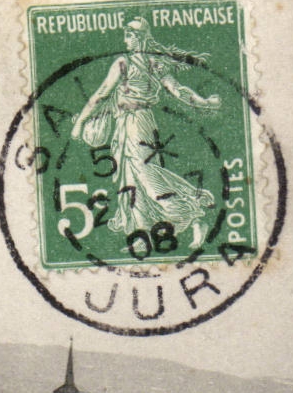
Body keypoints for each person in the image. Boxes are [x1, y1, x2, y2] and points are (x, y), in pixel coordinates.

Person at [69, 17, 222, 249]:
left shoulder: (125, 63)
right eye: (125, 34)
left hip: (134, 124)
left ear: (139, 37)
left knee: (144, 176)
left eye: (129, 35)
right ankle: (141, 236)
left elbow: (101, 95)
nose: (125, 39)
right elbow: (179, 91)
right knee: (131, 177)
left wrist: (79, 123)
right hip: (138, 123)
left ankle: (192, 217)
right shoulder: (154, 64)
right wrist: (205, 102)